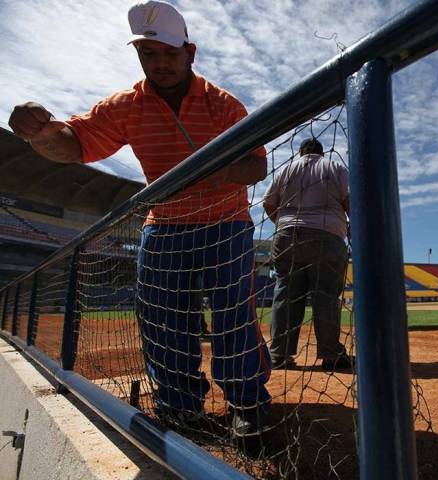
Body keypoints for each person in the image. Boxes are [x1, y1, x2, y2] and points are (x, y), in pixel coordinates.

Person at [8, 0, 271, 437]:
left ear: (191, 52)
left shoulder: (223, 105)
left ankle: (248, 403)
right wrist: (39, 133)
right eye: (149, 54)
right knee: (160, 316)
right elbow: (73, 145)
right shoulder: (126, 105)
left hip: (226, 222)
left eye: (170, 53)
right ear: (137, 54)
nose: (161, 64)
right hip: (163, 223)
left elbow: (256, 166)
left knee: (233, 314)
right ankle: (180, 406)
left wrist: (204, 168)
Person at [262, 138, 353, 371]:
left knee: (286, 293)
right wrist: (348, 227)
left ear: (301, 152)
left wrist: (283, 224)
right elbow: (350, 201)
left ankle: (279, 355)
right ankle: (331, 355)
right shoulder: (334, 166)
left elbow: (268, 203)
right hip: (326, 234)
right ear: (321, 152)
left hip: (287, 235)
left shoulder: (285, 169)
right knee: (326, 295)